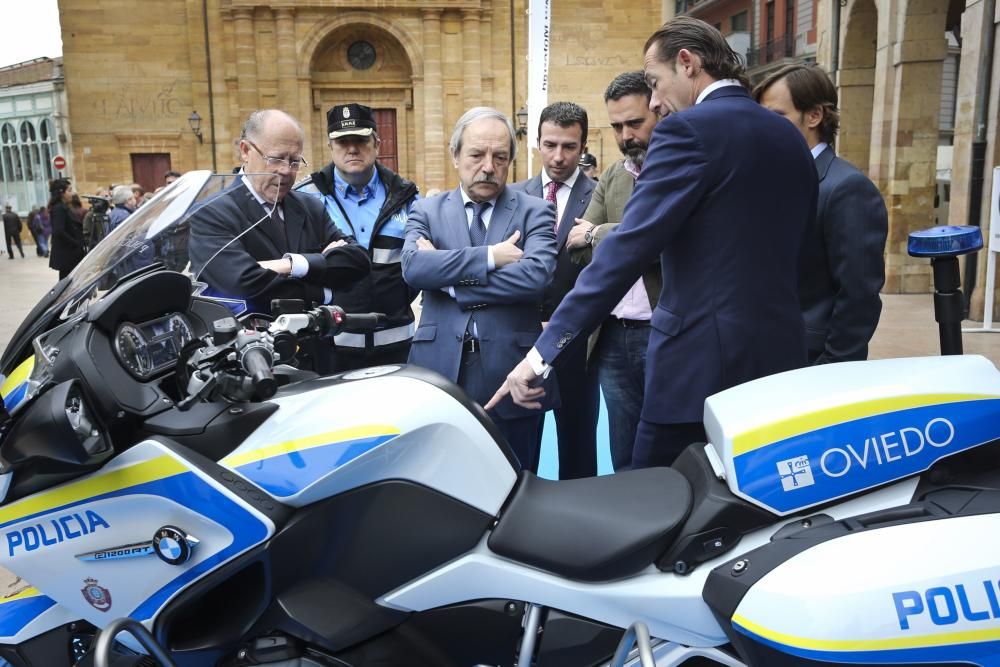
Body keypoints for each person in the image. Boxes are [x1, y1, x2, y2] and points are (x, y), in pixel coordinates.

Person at [487, 17, 818, 468]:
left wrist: (541, 355)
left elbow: (625, 251)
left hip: (697, 369)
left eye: (656, 84)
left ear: (687, 63)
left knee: (657, 499)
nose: (657, 102)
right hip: (779, 360)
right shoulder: (788, 136)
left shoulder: (686, 132)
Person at [401, 107, 558, 470]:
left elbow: (536, 275)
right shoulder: (426, 211)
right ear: (455, 156)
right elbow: (412, 268)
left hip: (513, 371)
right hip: (438, 370)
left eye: (499, 157)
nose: (488, 166)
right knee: (442, 480)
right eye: (476, 155)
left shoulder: (535, 211)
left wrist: (452, 283)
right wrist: (491, 256)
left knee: (517, 481)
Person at [188, 109, 371, 371]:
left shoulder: (310, 207)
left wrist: (291, 265)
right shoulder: (212, 213)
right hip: (251, 365)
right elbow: (243, 281)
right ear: (245, 151)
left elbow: (356, 261)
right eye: (276, 159)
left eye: (295, 161)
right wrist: (323, 289)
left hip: (317, 360)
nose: (286, 171)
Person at [753, 64, 888, 364]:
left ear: (814, 116)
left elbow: (858, 296)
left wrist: (832, 367)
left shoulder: (848, 188)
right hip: (764, 356)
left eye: (776, 117)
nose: (764, 128)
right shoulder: (770, 179)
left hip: (813, 363)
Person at [565, 71, 662, 471]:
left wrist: (600, 233)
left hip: (663, 332)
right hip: (612, 338)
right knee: (623, 455)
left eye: (634, 123)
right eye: (617, 126)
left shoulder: (677, 171)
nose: (626, 136)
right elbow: (574, 247)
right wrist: (619, 240)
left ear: (658, 112)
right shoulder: (612, 175)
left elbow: (661, 242)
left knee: (669, 448)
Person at [511, 101, 599, 479]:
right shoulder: (514, 195)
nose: (558, 156)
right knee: (518, 449)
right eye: (550, 145)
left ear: (583, 146)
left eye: (569, 147)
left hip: (577, 346)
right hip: (521, 341)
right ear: (536, 142)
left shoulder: (600, 196)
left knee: (578, 448)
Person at [297, 103, 421, 371]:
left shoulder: (407, 197)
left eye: (360, 139)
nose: (352, 148)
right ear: (331, 146)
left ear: (377, 143)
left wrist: (394, 301)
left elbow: (418, 265)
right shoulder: (306, 198)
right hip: (329, 351)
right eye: (342, 141)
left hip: (397, 348)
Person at [48, 179, 86, 279]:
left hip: (70, 254)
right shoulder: (59, 208)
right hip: (68, 255)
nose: (72, 193)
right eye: (69, 190)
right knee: (67, 284)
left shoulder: (63, 207)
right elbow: (59, 231)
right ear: (61, 193)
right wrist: (75, 243)